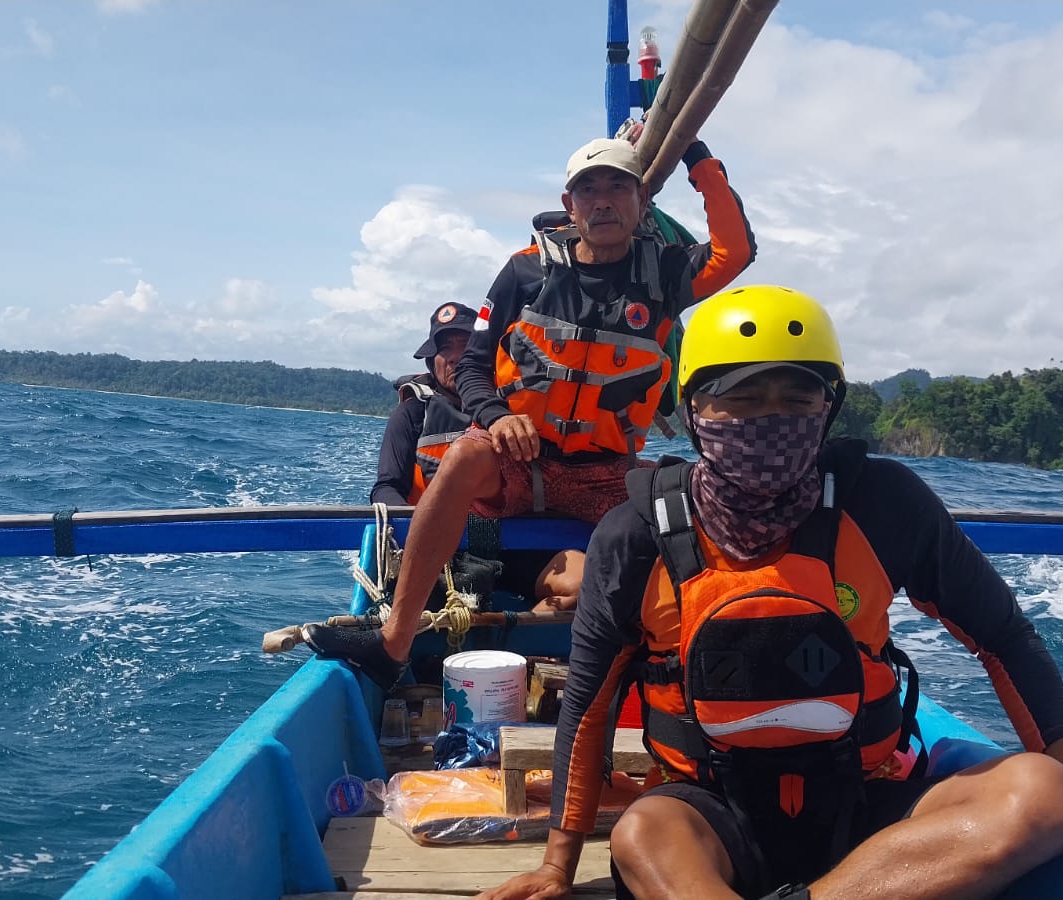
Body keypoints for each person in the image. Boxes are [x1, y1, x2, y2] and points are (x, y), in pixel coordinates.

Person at [477, 285, 1063, 900]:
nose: (770, 419)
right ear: (693, 410)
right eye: (742, 397)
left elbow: (1004, 637)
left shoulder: (883, 503)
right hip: (714, 810)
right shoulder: (638, 534)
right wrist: (558, 866)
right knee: (644, 833)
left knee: (1046, 795)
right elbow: (591, 703)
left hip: (872, 808)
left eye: (797, 396)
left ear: (829, 405)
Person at [307, 135, 756, 686]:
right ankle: (393, 643)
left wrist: (694, 154)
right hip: (520, 463)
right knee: (466, 455)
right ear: (570, 206)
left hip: (604, 475)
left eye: (619, 187)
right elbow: (472, 365)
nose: (603, 201)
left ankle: (712, 645)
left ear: (642, 202)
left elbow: (734, 251)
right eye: (588, 190)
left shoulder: (665, 274)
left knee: (688, 490)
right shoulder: (526, 273)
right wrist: (497, 416)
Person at [371, 301, 584, 609]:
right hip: (440, 554)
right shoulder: (412, 414)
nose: (456, 357)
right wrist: (422, 530)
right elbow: (385, 487)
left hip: (511, 547)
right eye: (446, 348)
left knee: (585, 582)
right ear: (432, 360)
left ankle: (520, 643)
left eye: (466, 345)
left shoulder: (516, 408)